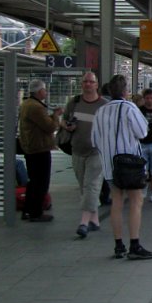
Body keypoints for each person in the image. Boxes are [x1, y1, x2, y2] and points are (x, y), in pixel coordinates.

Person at [91, 74, 152, 260]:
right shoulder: (129, 107)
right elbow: (142, 132)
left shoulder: (100, 111)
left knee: (116, 202)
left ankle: (118, 245)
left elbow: (94, 140)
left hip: (110, 165)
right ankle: (134, 244)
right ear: (125, 91)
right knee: (136, 201)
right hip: (130, 164)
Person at [63, 72, 108, 239]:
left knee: (91, 185)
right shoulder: (74, 103)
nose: (88, 84)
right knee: (84, 186)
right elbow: (63, 120)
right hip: (77, 150)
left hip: (97, 152)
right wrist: (67, 126)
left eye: (91, 82)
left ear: (96, 85)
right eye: (85, 82)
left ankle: (84, 222)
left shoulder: (104, 105)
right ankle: (94, 220)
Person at [18, 79, 63, 221]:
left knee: (33, 181)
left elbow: (39, 123)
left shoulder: (27, 104)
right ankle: (36, 212)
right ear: (39, 91)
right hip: (39, 148)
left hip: (31, 148)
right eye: (44, 89)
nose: (46, 92)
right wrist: (56, 115)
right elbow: (50, 127)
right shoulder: (36, 107)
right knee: (41, 182)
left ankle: (28, 210)